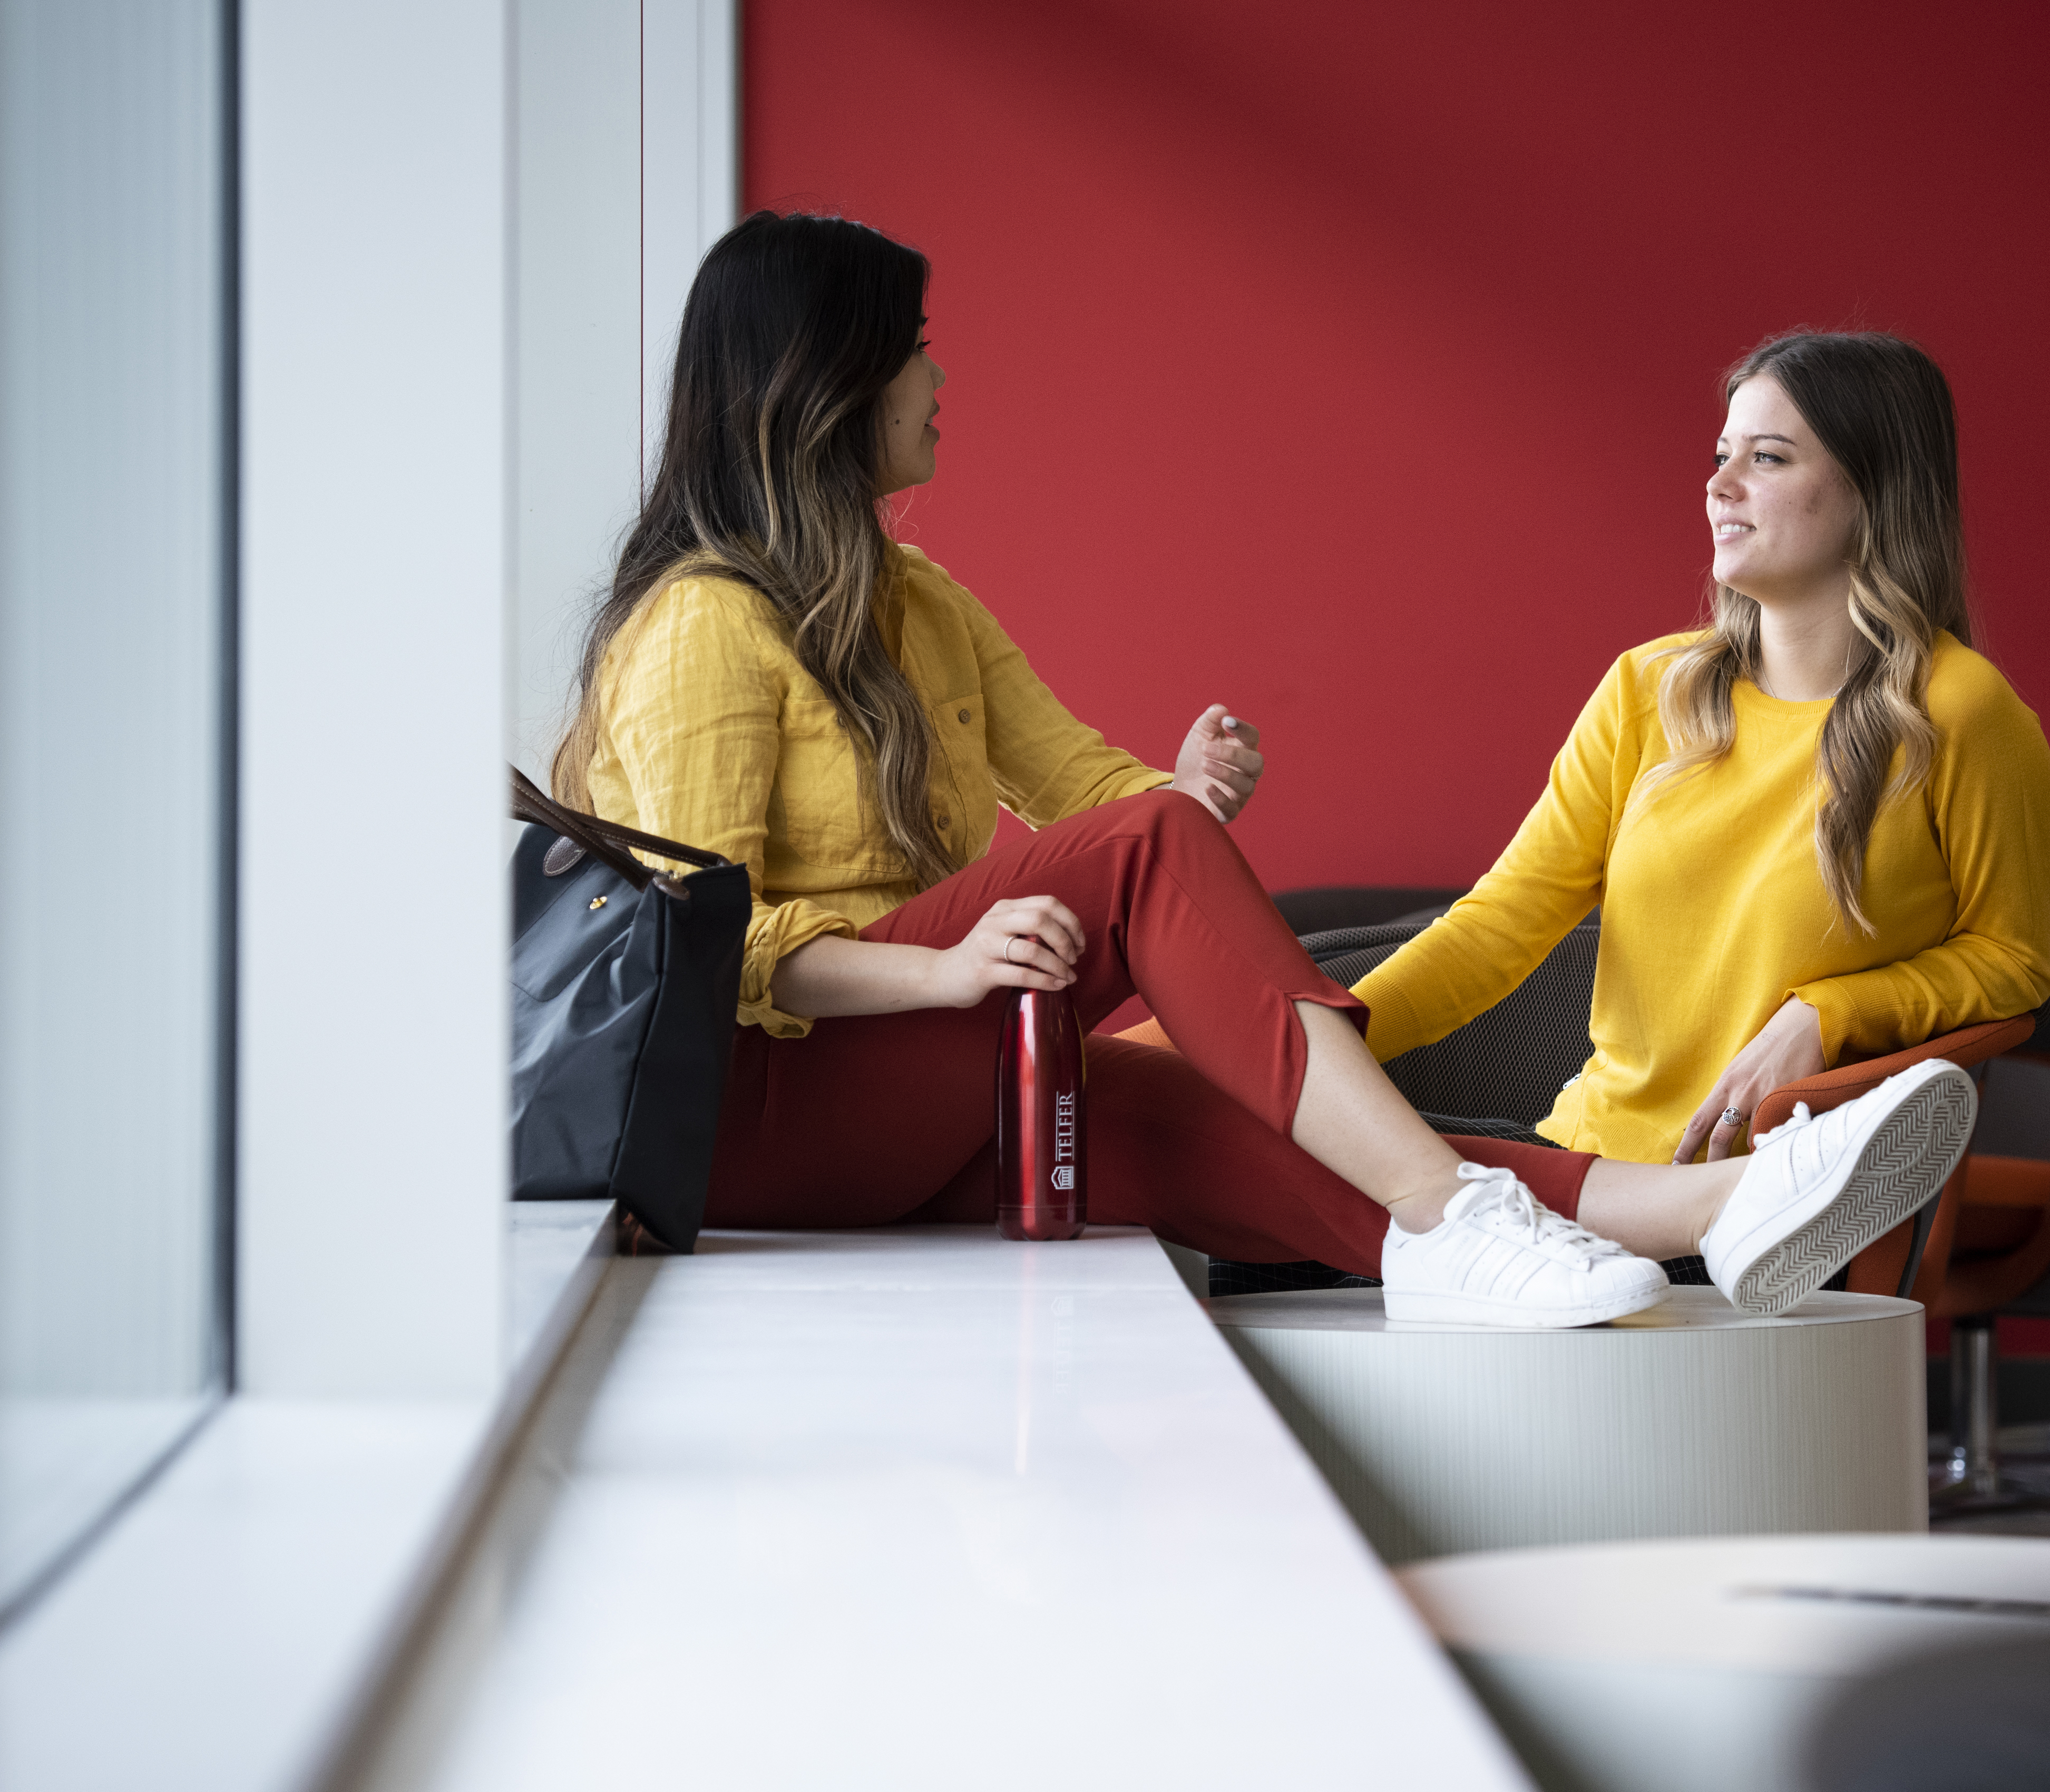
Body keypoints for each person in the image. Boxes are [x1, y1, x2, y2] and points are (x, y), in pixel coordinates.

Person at [557, 212, 1974, 1328]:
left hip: (921, 1081)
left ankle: (1706, 1211)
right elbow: (705, 949)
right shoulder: (701, 627)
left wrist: (1178, 793)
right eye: (914, 346)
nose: (940, 376)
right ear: (827, 382)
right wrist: (942, 970)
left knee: (1218, 1127)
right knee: (1149, 872)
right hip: (762, 1113)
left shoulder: (913, 600)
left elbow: (1088, 793)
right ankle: (1451, 1216)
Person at [1352, 332, 2050, 1200]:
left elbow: (2012, 959)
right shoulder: (1648, 688)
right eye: (1721, 455)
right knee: (1251, 1200)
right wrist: (1290, 1051)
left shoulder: (1962, 712)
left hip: (1770, 1201)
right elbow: (1499, 927)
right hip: (1583, 1164)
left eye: (1767, 458)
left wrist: (1829, 1014)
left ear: (1875, 488)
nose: (1720, 487)